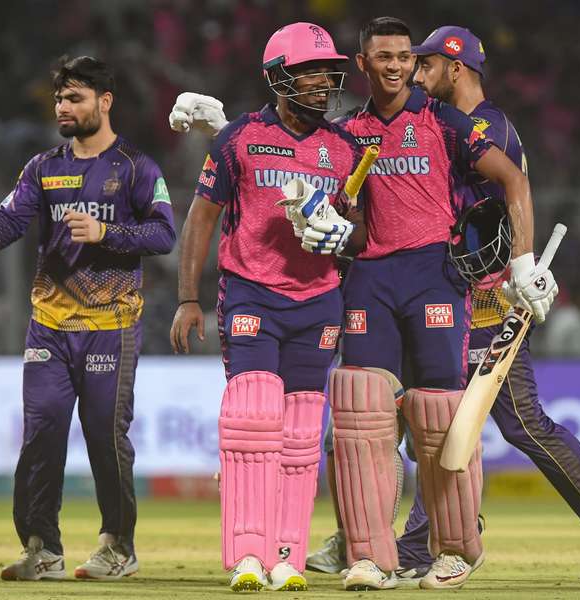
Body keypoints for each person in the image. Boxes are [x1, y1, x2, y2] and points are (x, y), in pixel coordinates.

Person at [169, 16, 552, 591]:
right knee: (359, 418)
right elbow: (287, 166)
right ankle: (371, 556)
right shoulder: (349, 133)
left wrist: (520, 263)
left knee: (439, 418)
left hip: (433, 279)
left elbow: (513, 181)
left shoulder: (446, 123)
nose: (397, 66)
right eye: (385, 57)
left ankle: (454, 550)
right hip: (367, 281)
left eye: (406, 57)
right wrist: (229, 129)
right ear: (365, 64)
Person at [404, 25, 580, 584]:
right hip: (471, 294)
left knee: (513, 422)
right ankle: (424, 543)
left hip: (492, 299)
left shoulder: (480, 127)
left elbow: (512, 193)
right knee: (445, 420)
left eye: (426, 66)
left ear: (457, 67)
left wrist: (521, 267)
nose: (418, 77)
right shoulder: (474, 125)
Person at [169, 22, 365, 592]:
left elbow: (358, 230)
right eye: (310, 72)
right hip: (252, 292)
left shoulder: (344, 148)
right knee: (253, 421)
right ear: (279, 77)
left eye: (328, 73)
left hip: (319, 301)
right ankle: (246, 556)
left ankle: (287, 557)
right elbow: (201, 218)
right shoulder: (238, 139)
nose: (324, 83)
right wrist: (188, 298)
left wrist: (343, 236)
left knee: (303, 434)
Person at [0, 56, 176, 582]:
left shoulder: (137, 167)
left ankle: (117, 546)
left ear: (105, 102)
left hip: (112, 324)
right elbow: (12, 217)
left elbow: (165, 235)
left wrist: (108, 234)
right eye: (60, 98)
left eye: (75, 98)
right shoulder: (43, 166)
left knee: (105, 436)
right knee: (41, 432)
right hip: (50, 326)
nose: (63, 107)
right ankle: (42, 548)